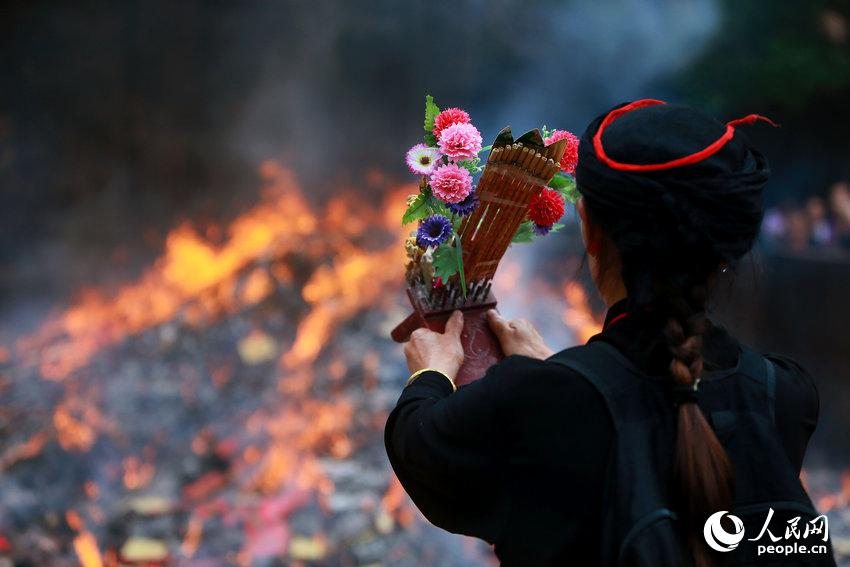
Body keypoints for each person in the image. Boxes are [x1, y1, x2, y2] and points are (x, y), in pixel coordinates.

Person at [385, 100, 836, 566]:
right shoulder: (783, 395)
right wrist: (556, 375)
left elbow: (426, 452)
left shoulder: (542, 404)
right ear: (734, 248)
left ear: (591, 230)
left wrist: (430, 377)